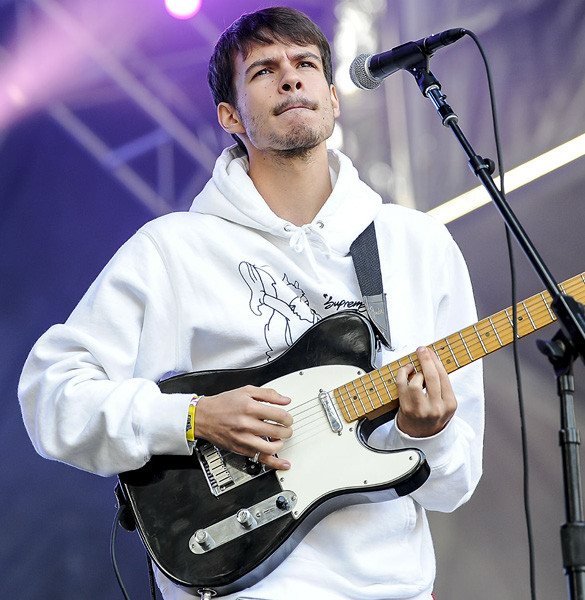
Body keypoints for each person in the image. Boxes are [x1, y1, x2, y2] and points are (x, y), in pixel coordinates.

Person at [18, 6, 484, 600]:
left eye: (306, 64)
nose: (291, 78)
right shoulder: (172, 250)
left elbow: (454, 485)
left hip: (396, 587)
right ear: (229, 116)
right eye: (265, 70)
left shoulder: (419, 247)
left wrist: (431, 433)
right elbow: (49, 392)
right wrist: (190, 417)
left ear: (333, 99)